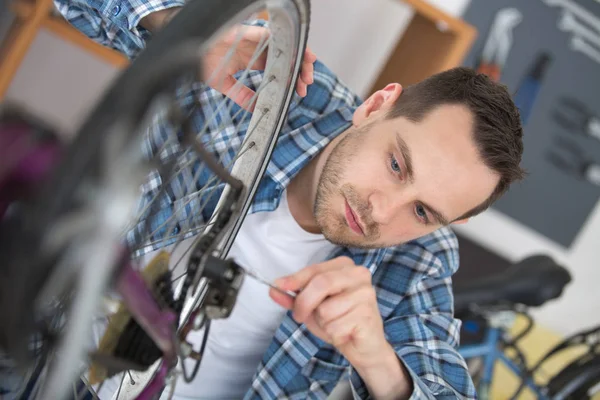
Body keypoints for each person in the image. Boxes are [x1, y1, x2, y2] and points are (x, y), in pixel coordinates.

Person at [52, 1, 525, 399]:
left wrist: (380, 362)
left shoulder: (420, 257)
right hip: (45, 352)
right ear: (377, 106)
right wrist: (185, 30)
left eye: (422, 212)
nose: (381, 210)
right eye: (397, 165)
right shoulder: (270, 82)